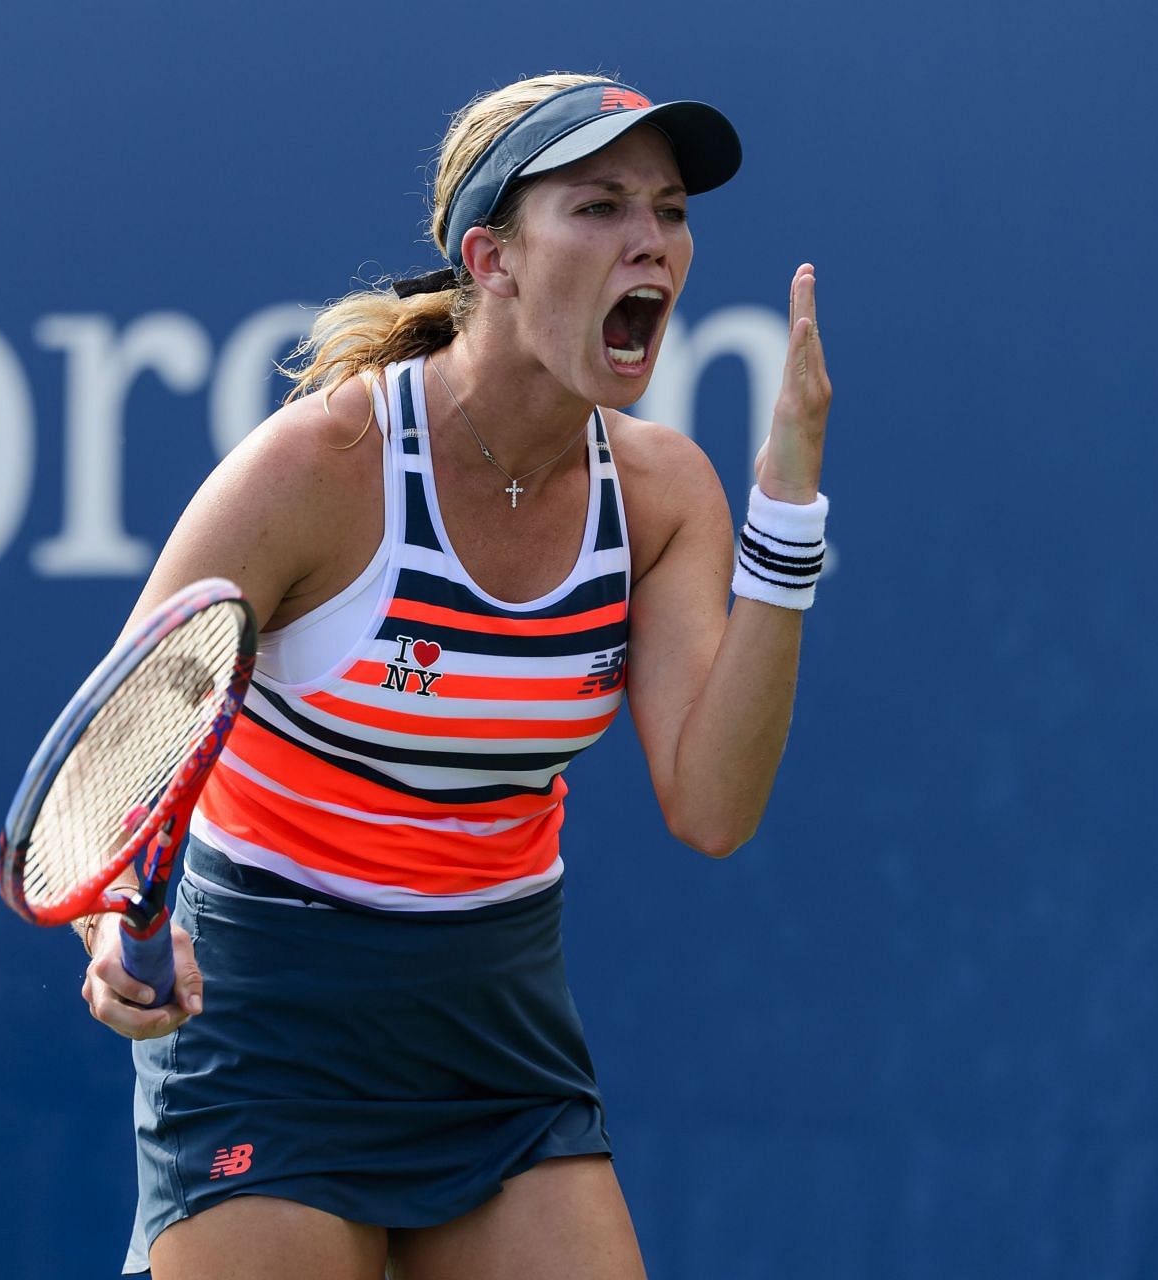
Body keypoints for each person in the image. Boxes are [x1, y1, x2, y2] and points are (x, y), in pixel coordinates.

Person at [75, 72, 832, 1279]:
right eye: (598, 206)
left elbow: (715, 808)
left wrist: (785, 517)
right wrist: (122, 927)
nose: (652, 239)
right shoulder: (323, 465)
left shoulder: (662, 493)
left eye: (671, 209)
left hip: (496, 1029)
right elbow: (119, 751)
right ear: (493, 257)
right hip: (270, 1018)